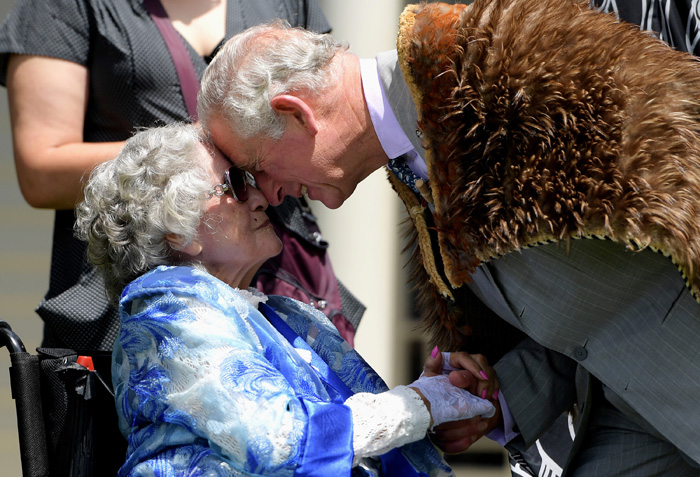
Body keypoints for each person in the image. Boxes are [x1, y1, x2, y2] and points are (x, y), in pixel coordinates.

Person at [196, 0, 700, 474]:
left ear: (295, 113)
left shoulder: (499, 62)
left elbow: (683, 146)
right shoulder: (415, 159)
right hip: (633, 419)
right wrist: (495, 395)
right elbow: (589, 312)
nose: (269, 195)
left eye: (255, 170)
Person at [0, 1, 362, 472]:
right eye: (235, 178)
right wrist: (192, 160)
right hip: (143, 289)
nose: (253, 189)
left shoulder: (284, 3)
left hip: (281, 277)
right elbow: (40, 169)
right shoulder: (69, 7)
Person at [73, 121, 497, 476]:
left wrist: (445, 394)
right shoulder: (167, 309)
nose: (261, 197)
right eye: (235, 184)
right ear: (177, 230)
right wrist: (419, 405)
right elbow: (279, 439)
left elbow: (363, 432)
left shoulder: (286, 314)